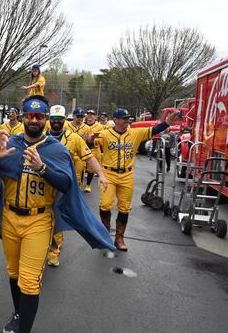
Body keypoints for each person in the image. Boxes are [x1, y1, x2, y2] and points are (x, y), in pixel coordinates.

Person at [0, 97, 114, 333]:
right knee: (14, 274)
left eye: (39, 117)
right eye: (30, 115)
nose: (34, 120)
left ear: (46, 120)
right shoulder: (11, 143)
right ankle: (18, 315)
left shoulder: (56, 149)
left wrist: (42, 167)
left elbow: (66, 184)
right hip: (9, 217)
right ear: (24, 116)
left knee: (29, 282)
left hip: (39, 220)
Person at [92, 108, 180, 251]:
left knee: (124, 207)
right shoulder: (104, 134)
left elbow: (158, 128)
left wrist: (171, 118)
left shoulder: (135, 133)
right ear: (116, 120)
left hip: (127, 175)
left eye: (128, 118)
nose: (127, 121)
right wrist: (90, 138)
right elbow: (89, 143)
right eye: (124, 118)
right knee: (105, 204)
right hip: (108, 174)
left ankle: (119, 238)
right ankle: (104, 234)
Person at [45, 105, 108, 267]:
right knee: (41, 219)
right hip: (41, 185)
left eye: (60, 119)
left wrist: (100, 174)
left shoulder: (74, 138)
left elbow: (89, 157)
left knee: (57, 218)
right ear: (49, 120)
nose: (57, 122)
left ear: (64, 120)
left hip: (62, 185)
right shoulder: (41, 135)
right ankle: (41, 247)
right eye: (54, 119)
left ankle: (54, 251)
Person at [65, 108, 92, 188]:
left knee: (77, 176)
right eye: (78, 116)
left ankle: (76, 192)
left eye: (82, 116)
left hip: (80, 155)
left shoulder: (86, 127)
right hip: (68, 154)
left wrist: (91, 138)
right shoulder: (66, 126)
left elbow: (89, 141)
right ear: (73, 116)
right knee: (66, 174)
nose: (80, 118)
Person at [83, 109, 106, 193]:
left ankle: (88, 185)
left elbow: (103, 138)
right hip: (82, 148)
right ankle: (80, 183)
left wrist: (103, 151)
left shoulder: (99, 126)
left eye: (92, 115)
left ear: (95, 117)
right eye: (88, 114)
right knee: (81, 167)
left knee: (91, 169)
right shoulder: (83, 125)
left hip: (94, 148)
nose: (90, 116)